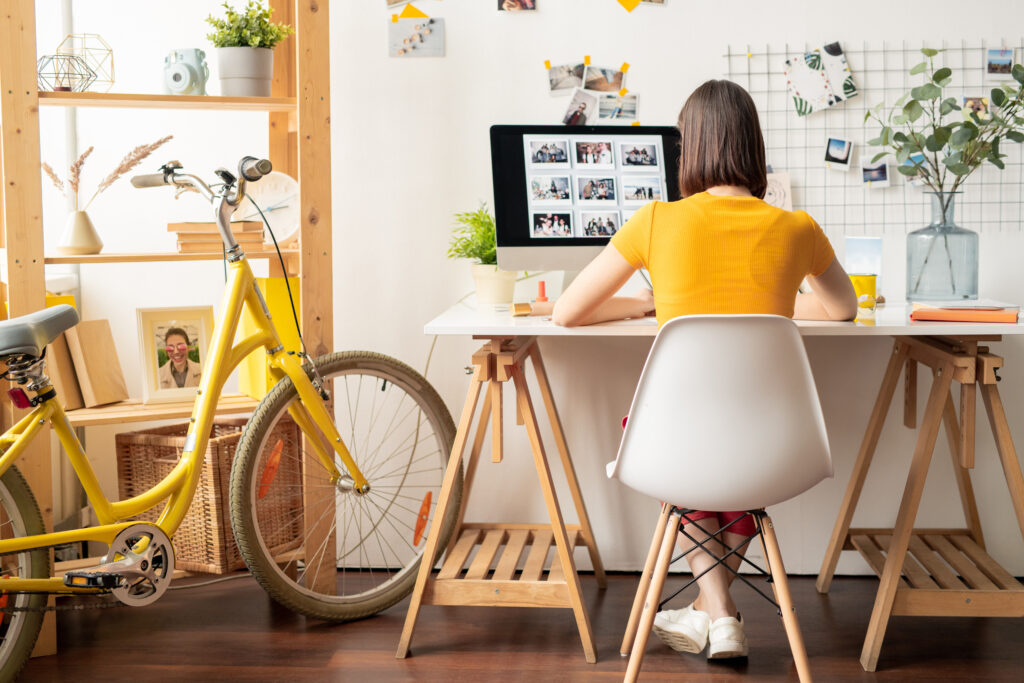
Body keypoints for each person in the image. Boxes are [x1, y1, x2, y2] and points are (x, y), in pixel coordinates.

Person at [547, 80, 857, 660]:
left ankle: (714, 616)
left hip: (674, 447)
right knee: (735, 451)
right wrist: (784, 298)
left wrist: (649, 301)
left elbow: (567, 311)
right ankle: (721, 614)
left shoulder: (657, 221)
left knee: (677, 440)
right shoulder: (797, 228)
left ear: (690, 148)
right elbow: (845, 308)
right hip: (774, 447)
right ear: (754, 147)